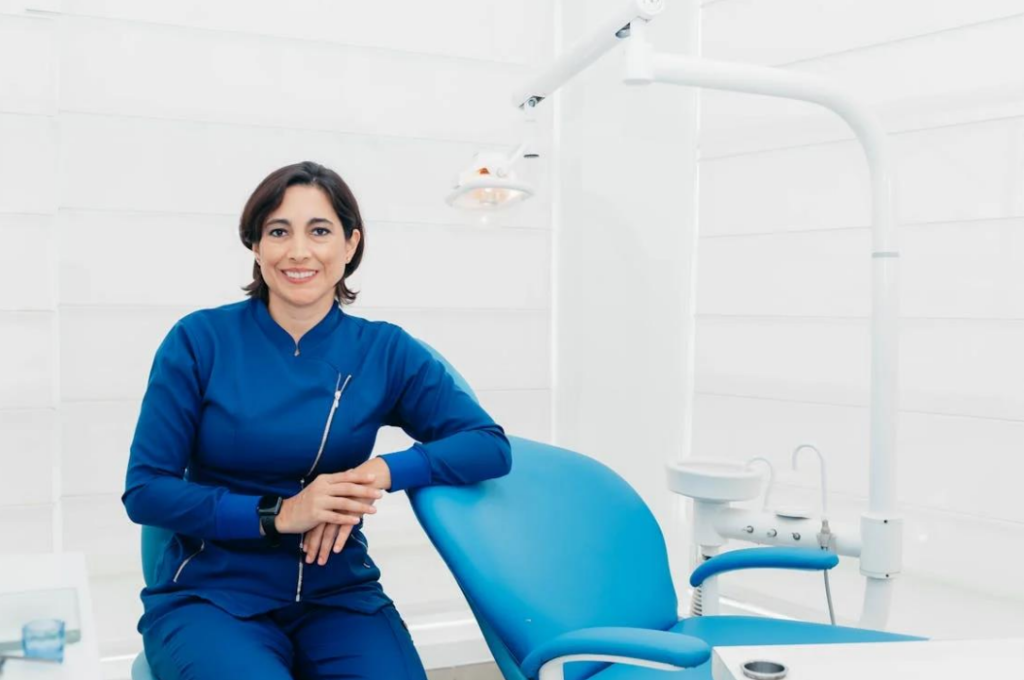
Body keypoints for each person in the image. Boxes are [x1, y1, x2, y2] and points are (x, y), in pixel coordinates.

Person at [122, 161, 512, 680]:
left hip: (338, 592)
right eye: (278, 231)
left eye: (320, 231)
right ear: (256, 246)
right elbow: (147, 491)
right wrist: (278, 514)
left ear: (350, 245)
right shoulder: (199, 342)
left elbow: (487, 446)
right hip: (214, 594)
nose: (299, 251)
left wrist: (380, 472)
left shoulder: (383, 349)